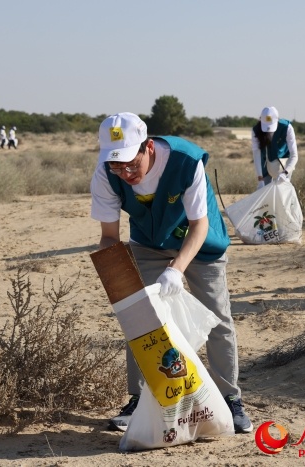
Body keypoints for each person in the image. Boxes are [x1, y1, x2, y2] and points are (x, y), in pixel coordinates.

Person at [90, 112, 253, 434]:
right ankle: (139, 399)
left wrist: (176, 270)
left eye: (131, 163)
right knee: (140, 319)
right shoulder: (105, 173)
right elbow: (109, 237)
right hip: (148, 244)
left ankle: (231, 399)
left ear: (148, 147)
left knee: (218, 318)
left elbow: (199, 225)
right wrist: (119, 283)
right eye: (117, 166)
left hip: (201, 244)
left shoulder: (185, 161)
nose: (125, 173)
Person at [251, 106, 298, 189]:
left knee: (282, 191)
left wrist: (285, 172)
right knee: (264, 191)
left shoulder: (287, 127)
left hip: (283, 164)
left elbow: (294, 155)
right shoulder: (256, 130)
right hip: (265, 163)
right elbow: (256, 154)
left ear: (277, 120)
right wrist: (260, 178)